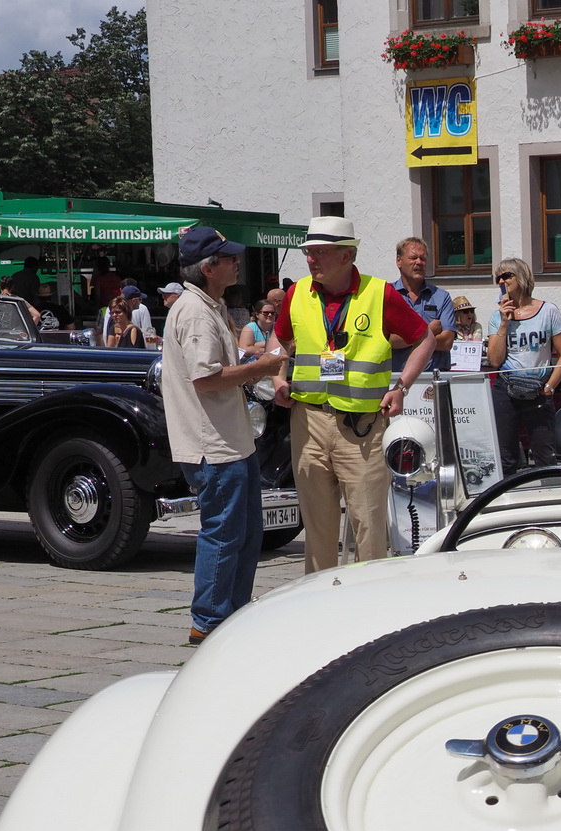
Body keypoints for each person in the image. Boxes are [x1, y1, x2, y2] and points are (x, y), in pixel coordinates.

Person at [271, 216, 435, 572]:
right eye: (308, 252)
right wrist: (278, 376)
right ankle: (319, 606)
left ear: (346, 255)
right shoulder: (298, 292)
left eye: (319, 252)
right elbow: (279, 340)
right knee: (317, 529)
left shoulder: (380, 293)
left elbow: (426, 338)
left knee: (368, 526)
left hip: (361, 430)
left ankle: (368, 609)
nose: (310, 259)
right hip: (309, 421)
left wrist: (402, 386)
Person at [158, 226, 289, 645]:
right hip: (212, 445)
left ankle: (228, 616)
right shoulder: (196, 311)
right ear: (209, 268)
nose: (237, 262)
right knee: (224, 532)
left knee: (247, 533)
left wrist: (252, 357)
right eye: (229, 257)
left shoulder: (206, 305)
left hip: (230, 441)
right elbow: (206, 378)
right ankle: (209, 621)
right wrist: (263, 368)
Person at [487, 256, 561, 474]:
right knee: (506, 456)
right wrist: (504, 323)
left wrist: (550, 387)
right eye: (498, 277)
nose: (502, 281)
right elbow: (494, 361)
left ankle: (549, 498)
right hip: (505, 389)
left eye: (507, 275)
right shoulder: (496, 317)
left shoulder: (548, 311)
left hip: (538, 390)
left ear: (522, 277)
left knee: (545, 455)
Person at [392, 236, 456, 372]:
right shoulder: (387, 295)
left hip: (434, 379)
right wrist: (429, 331)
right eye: (413, 257)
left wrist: (405, 339)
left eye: (423, 259)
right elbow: (388, 341)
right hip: (397, 379)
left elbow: (446, 342)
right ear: (399, 261)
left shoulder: (441, 297)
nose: (419, 262)